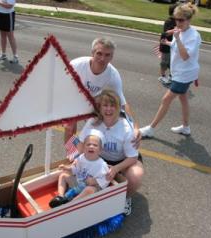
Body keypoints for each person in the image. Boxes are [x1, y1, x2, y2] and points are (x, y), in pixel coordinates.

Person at [139, 3, 201, 138]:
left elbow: (185, 56)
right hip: (179, 72)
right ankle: (186, 127)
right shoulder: (182, 31)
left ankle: (151, 128)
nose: (177, 23)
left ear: (189, 20)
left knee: (166, 100)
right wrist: (168, 42)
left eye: (181, 20)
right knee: (183, 99)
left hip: (184, 74)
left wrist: (177, 39)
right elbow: (177, 48)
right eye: (175, 19)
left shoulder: (193, 36)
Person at [78, 89, 144, 216]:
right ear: (100, 107)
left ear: (118, 107)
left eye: (112, 106)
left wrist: (115, 169)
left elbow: (133, 157)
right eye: (105, 105)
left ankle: (125, 198)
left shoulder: (126, 128)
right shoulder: (93, 122)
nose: (108, 109)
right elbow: (81, 142)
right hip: (100, 158)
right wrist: (78, 159)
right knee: (79, 168)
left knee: (136, 176)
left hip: (122, 160)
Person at [65, 37, 141, 145]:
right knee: (70, 128)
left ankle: (90, 156)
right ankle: (71, 156)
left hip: (92, 100)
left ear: (112, 57)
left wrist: (135, 127)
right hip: (72, 96)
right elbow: (59, 85)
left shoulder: (112, 74)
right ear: (92, 53)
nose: (102, 59)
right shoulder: (76, 65)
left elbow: (122, 103)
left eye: (107, 55)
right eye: (99, 54)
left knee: (97, 129)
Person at [49, 129, 110, 208]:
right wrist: (67, 168)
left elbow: (106, 179)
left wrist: (95, 181)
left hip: (91, 188)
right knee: (63, 175)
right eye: (88, 144)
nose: (91, 146)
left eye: (95, 145)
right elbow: (76, 170)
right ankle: (61, 197)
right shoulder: (81, 158)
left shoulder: (102, 165)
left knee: (89, 190)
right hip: (79, 183)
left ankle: (72, 202)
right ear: (84, 148)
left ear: (100, 150)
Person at [158, 3, 178, 86]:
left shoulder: (178, 20)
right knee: (164, 62)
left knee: (172, 63)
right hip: (166, 46)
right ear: (173, 12)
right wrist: (175, 29)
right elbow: (165, 34)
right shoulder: (169, 21)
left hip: (173, 45)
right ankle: (162, 76)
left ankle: (171, 76)